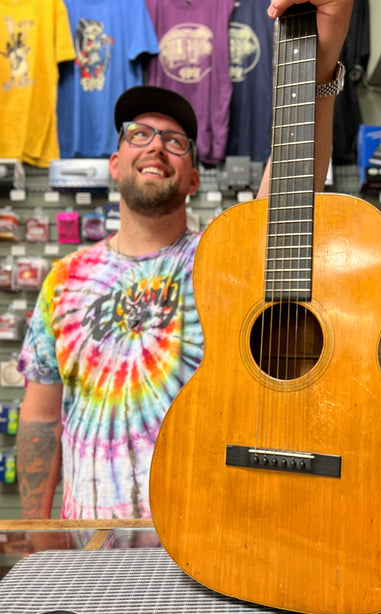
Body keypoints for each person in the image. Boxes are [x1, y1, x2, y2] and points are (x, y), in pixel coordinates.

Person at [15, 0, 355, 520]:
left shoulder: (219, 260)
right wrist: (38, 537)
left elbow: (288, 195)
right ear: (114, 164)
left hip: (208, 544)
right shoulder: (63, 281)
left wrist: (320, 69)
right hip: (90, 554)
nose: (155, 147)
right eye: (139, 134)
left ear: (194, 177)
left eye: (175, 141)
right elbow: (40, 418)